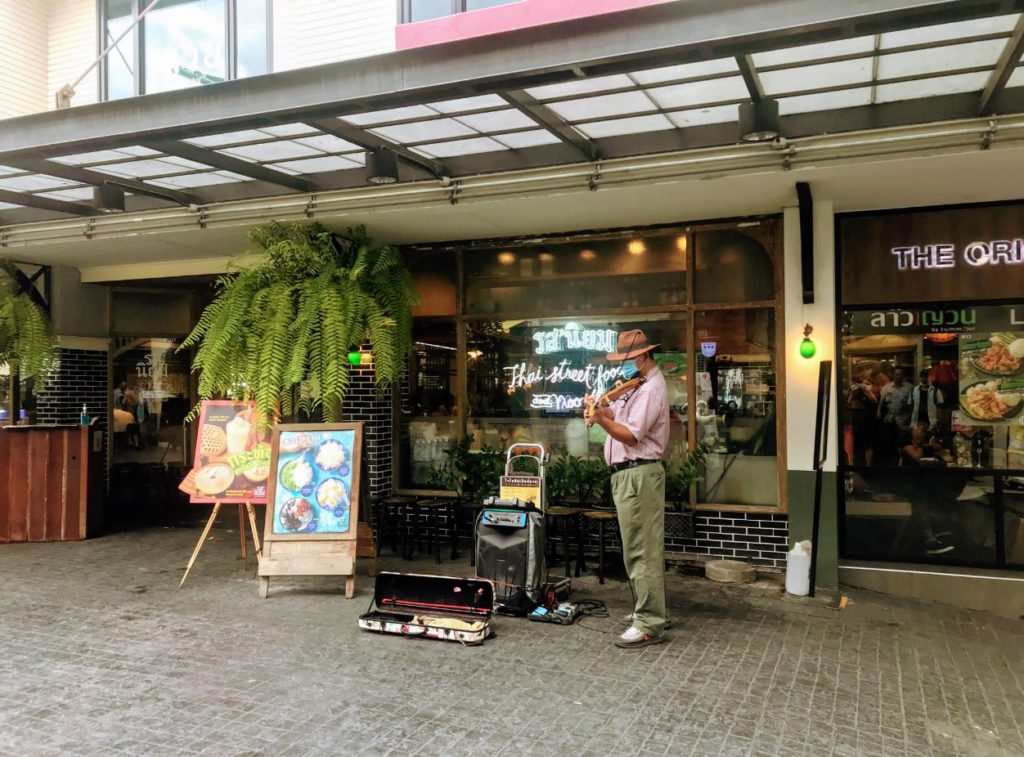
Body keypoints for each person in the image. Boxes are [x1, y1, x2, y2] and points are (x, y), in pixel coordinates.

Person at [584, 329, 670, 649]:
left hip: (638, 475)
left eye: (628, 358)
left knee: (641, 550)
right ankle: (648, 611)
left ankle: (649, 622)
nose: (623, 365)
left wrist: (600, 420)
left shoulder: (651, 390)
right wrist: (598, 409)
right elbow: (614, 415)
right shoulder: (639, 385)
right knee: (640, 547)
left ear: (644, 355)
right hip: (631, 476)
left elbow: (631, 435)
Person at [876, 367, 911, 465]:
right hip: (889, 419)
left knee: (902, 443)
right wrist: (878, 412)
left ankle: (901, 463)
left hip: (903, 420)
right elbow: (881, 402)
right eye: (897, 374)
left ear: (903, 376)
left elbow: (913, 405)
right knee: (889, 443)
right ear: (894, 375)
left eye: (900, 374)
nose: (898, 376)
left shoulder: (909, 388)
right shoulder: (887, 387)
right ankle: (890, 463)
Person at [846, 365, 878, 466]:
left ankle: (868, 466)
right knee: (856, 443)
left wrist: (866, 390)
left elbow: (874, 401)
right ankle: (855, 465)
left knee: (868, 444)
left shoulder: (870, 386)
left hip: (867, 417)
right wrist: (852, 392)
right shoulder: (853, 387)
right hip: (856, 417)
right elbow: (849, 402)